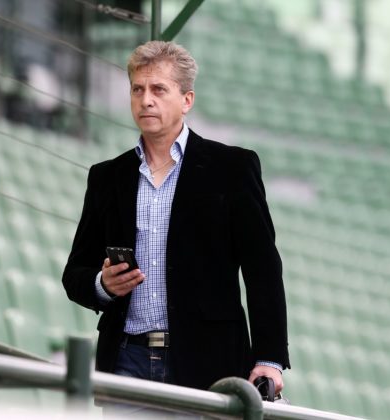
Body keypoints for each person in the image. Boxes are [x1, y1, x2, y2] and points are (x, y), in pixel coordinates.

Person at [62, 41, 289, 393]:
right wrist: (102, 285)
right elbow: (75, 273)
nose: (146, 100)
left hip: (208, 363)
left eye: (158, 89)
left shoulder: (232, 168)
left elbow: (262, 269)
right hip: (126, 360)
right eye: (137, 89)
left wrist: (269, 358)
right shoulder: (107, 177)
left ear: (187, 100)